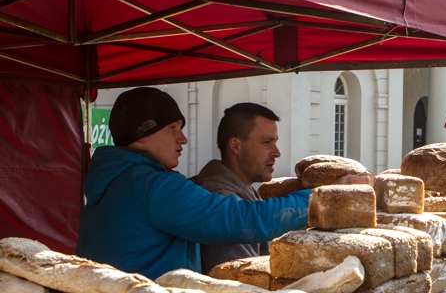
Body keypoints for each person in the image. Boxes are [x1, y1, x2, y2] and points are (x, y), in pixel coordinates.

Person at [76, 88, 313, 280]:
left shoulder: (113, 179)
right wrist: (317, 199)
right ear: (142, 133)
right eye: (173, 128)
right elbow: (240, 220)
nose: (183, 138)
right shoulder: (153, 187)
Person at [192, 103, 303, 273]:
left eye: (275, 142)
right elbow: (245, 281)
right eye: (267, 142)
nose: (276, 152)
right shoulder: (221, 197)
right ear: (235, 146)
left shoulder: (241, 190)